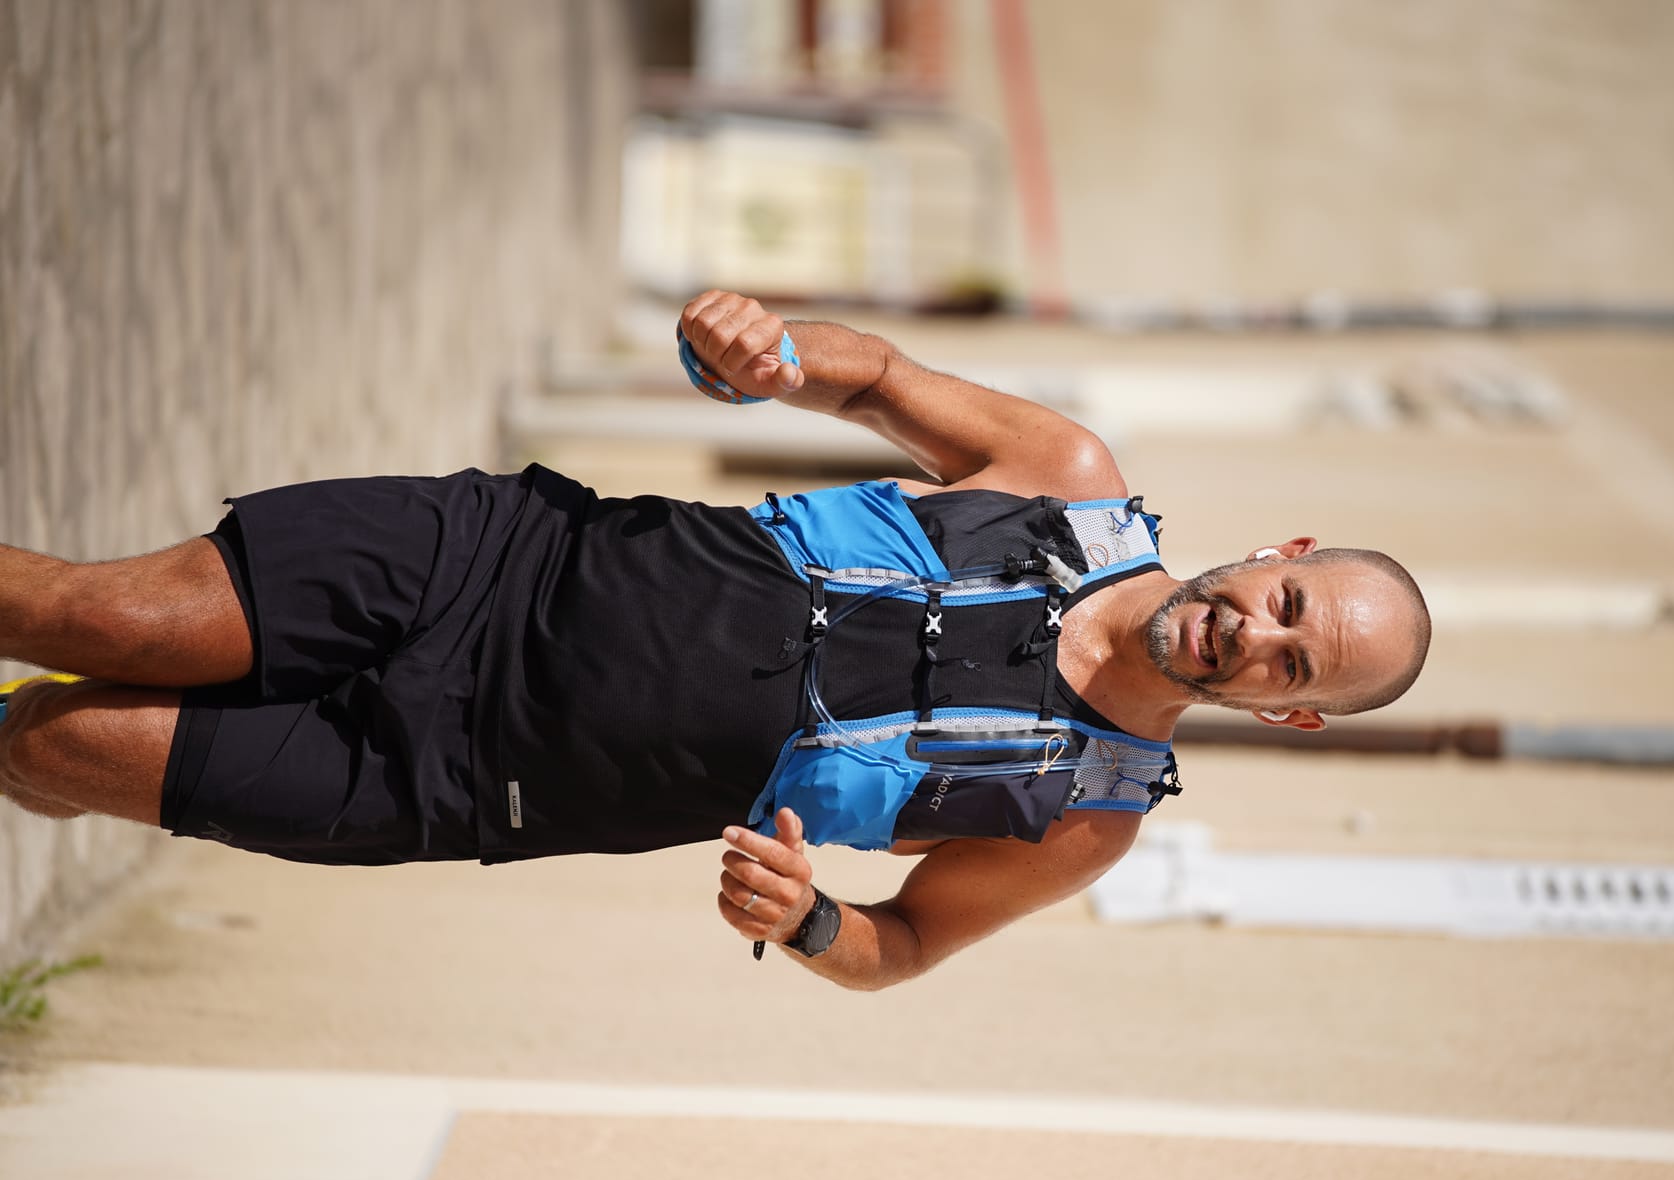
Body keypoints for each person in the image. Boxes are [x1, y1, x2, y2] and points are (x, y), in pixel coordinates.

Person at [0, 291, 1430, 988]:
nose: (1253, 634)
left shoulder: (1088, 810)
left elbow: (908, 940)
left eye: (1292, 665)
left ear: (1289, 715)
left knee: (56, 743)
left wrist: (807, 917)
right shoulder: (1068, 474)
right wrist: (760, 353)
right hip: (495, 562)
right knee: (94, 614)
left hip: (470, 779)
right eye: (1287, 604)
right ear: (1281, 554)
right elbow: (871, 378)